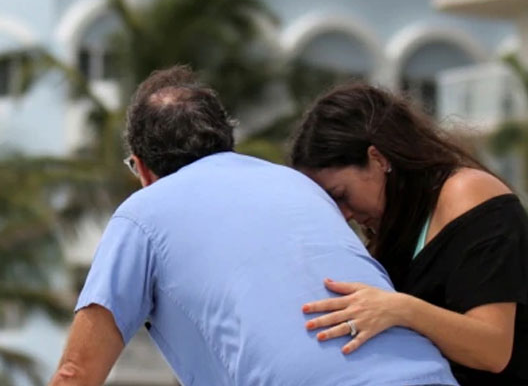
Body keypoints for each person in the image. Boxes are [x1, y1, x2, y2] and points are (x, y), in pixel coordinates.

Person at [48, 66, 457, 386]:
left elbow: (76, 373)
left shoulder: (142, 212)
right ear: (227, 142)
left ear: (141, 167)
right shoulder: (299, 185)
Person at [289, 83, 528, 386]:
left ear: (378, 159)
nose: (343, 214)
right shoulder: (395, 225)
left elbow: (493, 349)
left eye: (341, 195)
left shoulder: (470, 195)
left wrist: (400, 309)